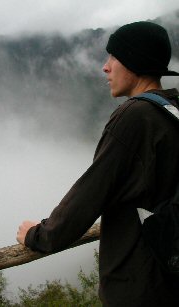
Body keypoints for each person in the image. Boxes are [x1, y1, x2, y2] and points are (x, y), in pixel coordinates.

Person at [16, 21, 179, 307]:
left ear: (133, 61)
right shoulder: (172, 110)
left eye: (113, 57)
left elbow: (90, 194)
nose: (106, 67)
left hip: (139, 286)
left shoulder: (134, 117)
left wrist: (38, 234)